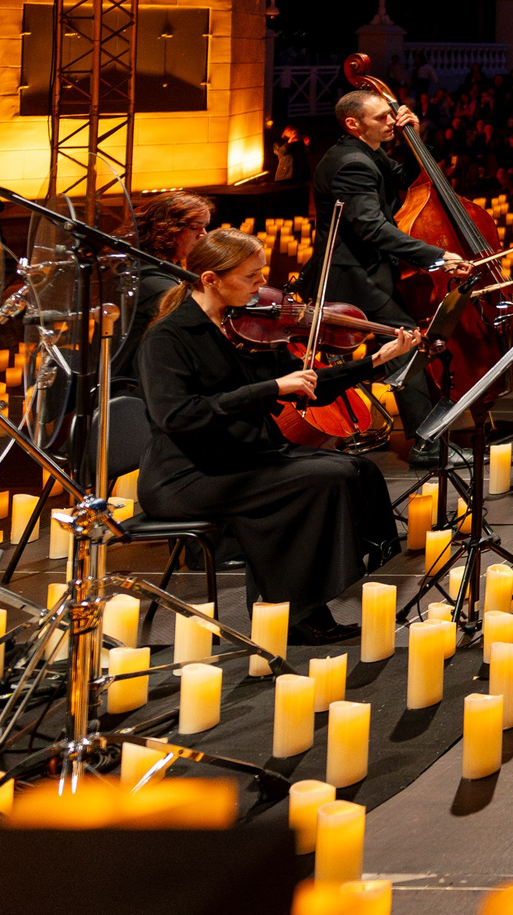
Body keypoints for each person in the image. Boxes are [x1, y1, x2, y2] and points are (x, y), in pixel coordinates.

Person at [138, 229, 421, 644]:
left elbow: (306, 384)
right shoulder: (168, 337)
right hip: (188, 474)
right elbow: (179, 416)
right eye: (252, 277)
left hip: (243, 455)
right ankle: (296, 615)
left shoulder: (243, 327)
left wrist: (373, 362)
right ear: (211, 279)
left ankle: (297, 603)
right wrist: (272, 389)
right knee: (322, 479)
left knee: (356, 469)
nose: (261, 286)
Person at [312, 88, 470, 452]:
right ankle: (425, 445)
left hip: (367, 271)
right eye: (381, 117)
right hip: (352, 277)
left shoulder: (366, 152)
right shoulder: (352, 163)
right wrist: (437, 256)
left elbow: (402, 179)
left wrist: (418, 140)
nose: (392, 122)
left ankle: (427, 436)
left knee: (408, 343)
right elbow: (372, 228)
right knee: (407, 344)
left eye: (391, 114)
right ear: (353, 123)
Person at [110, 191, 212, 392]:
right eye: (195, 227)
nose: (204, 235)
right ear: (165, 229)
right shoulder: (148, 279)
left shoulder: (158, 270)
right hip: (128, 393)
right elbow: (195, 316)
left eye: (205, 227)